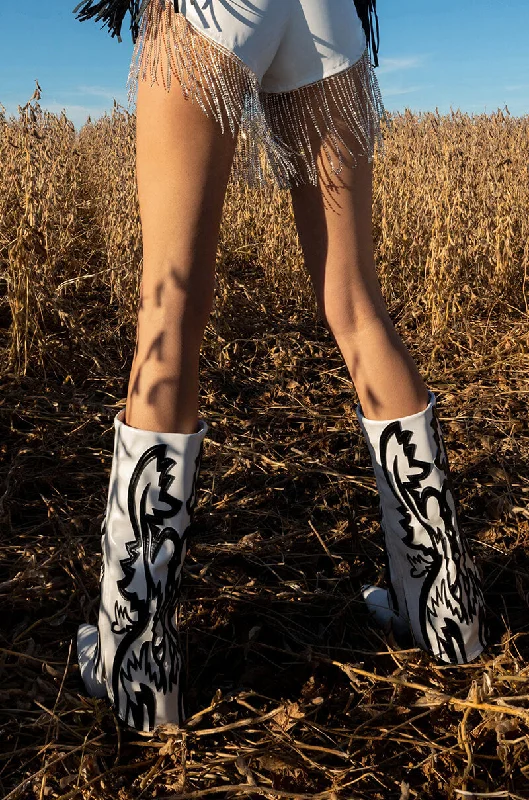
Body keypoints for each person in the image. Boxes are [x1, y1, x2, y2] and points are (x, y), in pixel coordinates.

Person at [73, 0, 487, 734]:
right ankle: (446, 616)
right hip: (329, 14)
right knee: (358, 306)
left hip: (217, 8)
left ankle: (136, 666)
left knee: (168, 310)